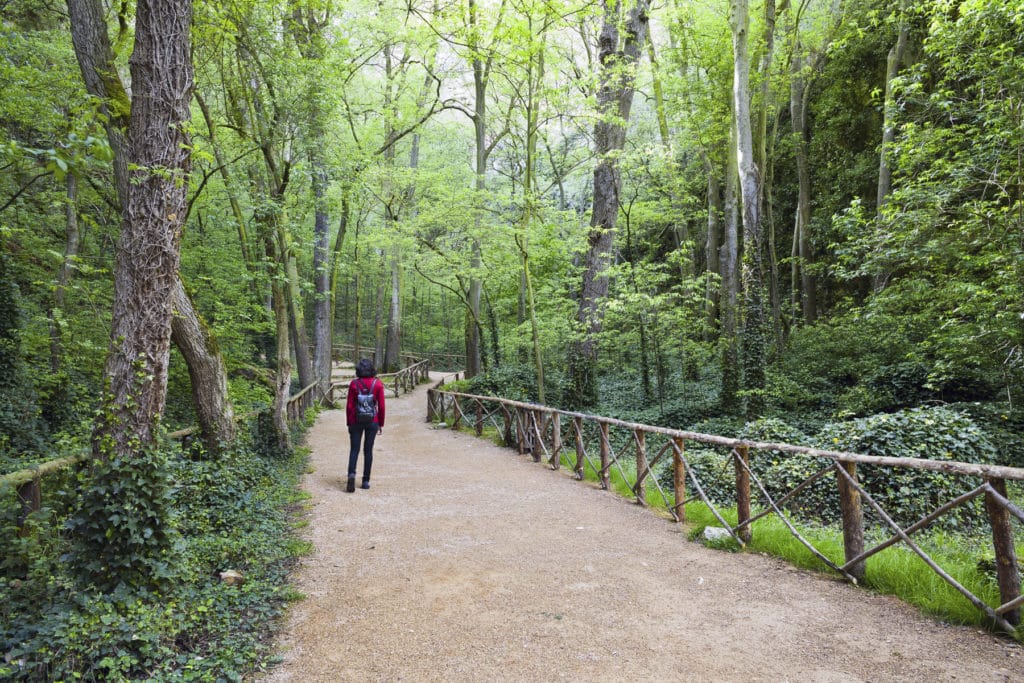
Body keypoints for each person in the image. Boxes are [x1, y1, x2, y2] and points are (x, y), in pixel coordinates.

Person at [345, 358, 386, 492]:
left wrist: (349, 422)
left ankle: (351, 474)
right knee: (368, 451)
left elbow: (350, 405)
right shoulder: (378, 384)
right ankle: (366, 481)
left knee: (354, 449)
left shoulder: (353, 384)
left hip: (356, 421)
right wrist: (381, 423)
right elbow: (382, 406)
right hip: (372, 421)